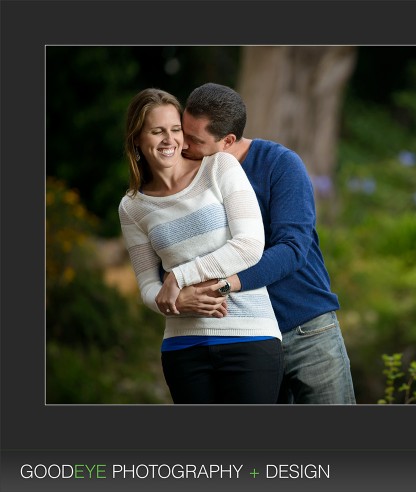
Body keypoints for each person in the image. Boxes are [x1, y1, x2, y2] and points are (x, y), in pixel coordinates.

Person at [173, 82, 356, 404]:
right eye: (182, 132)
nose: (182, 146)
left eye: (194, 140)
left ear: (228, 140)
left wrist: (223, 285)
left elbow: (292, 249)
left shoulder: (279, 164)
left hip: (303, 326)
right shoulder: (189, 177)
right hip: (243, 339)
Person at [118, 88, 283, 404]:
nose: (170, 140)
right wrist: (180, 301)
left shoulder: (220, 167)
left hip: (250, 337)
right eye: (157, 131)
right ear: (137, 139)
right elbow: (148, 288)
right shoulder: (132, 207)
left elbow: (249, 245)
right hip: (183, 348)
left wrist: (178, 277)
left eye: (175, 129)